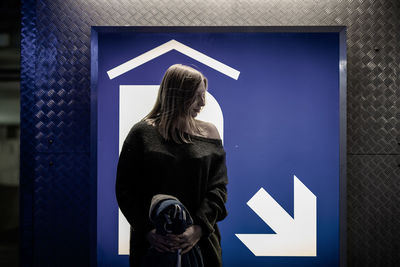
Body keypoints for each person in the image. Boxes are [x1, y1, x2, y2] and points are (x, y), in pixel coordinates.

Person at [115, 64, 228, 267]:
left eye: (205, 95)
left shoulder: (210, 133)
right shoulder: (141, 133)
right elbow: (126, 190)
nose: (203, 102)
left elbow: (218, 190)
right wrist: (148, 232)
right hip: (153, 247)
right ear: (179, 95)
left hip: (202, 246)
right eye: (197, 95)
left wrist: (198, 230)